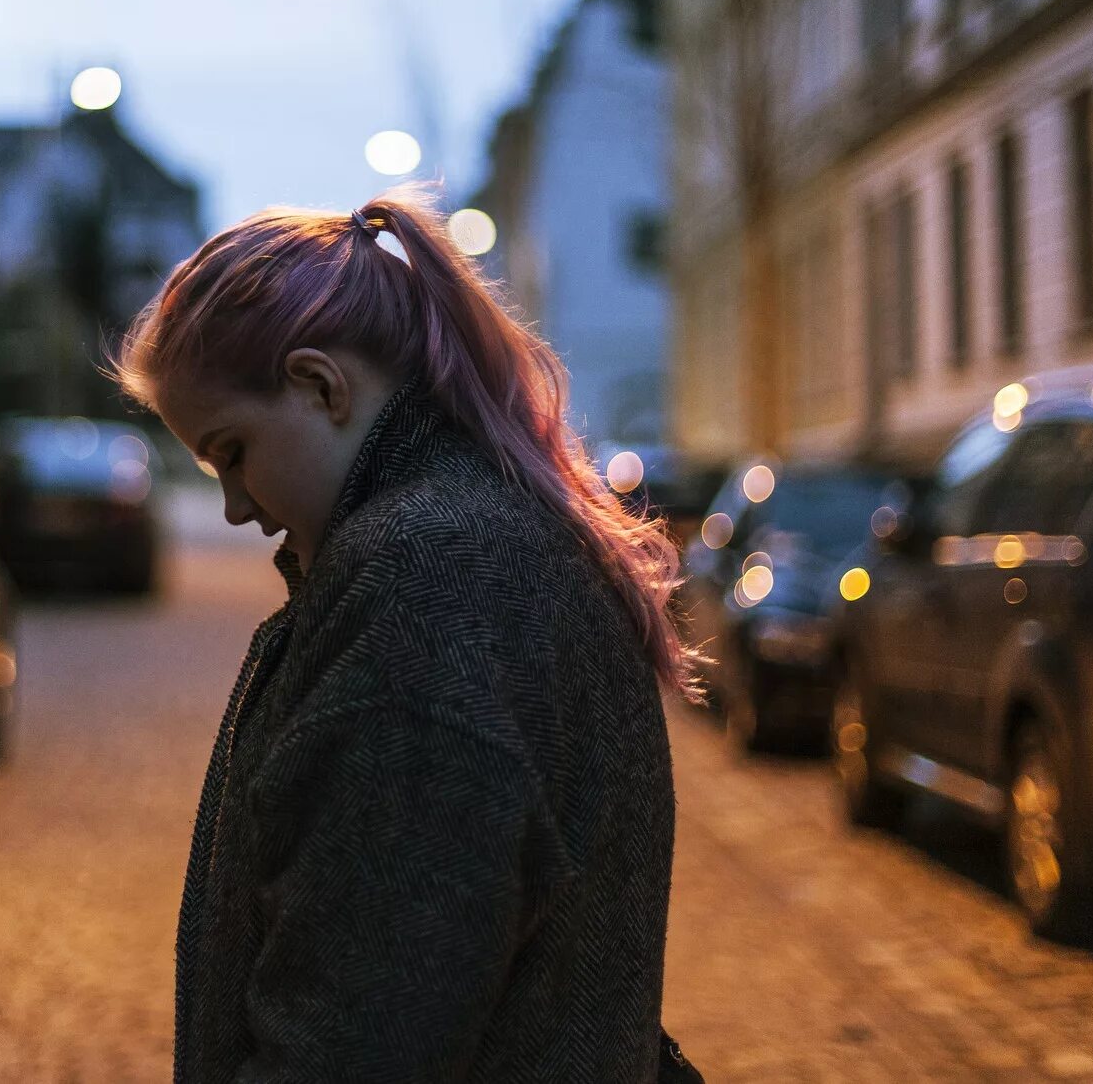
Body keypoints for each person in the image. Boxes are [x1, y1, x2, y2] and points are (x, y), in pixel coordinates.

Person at [108, 190, 703, 1083]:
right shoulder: (483, 537)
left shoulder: (429, 588)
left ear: (320, 384)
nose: (232, 505)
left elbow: (351, 1037)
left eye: (232, 450)